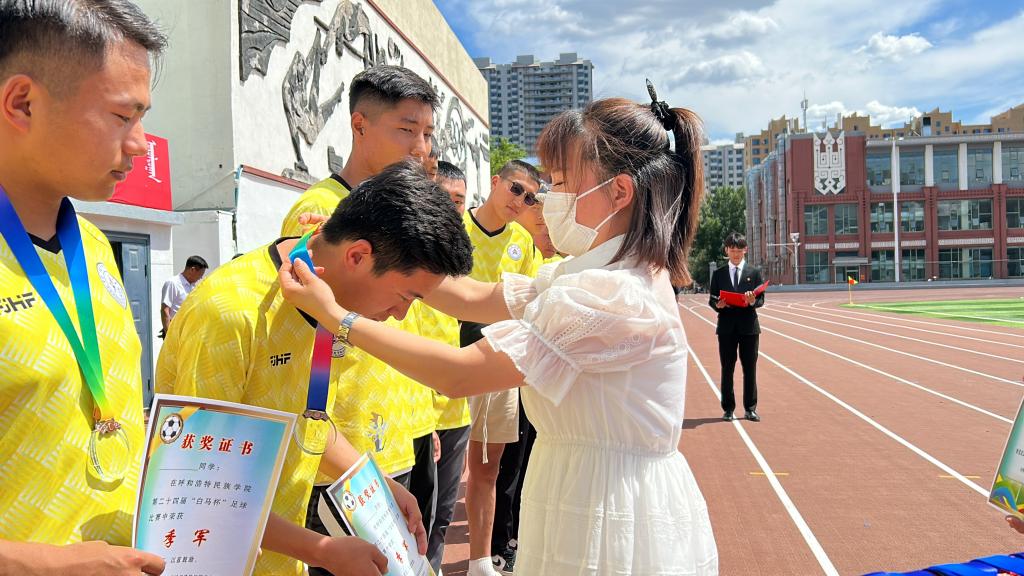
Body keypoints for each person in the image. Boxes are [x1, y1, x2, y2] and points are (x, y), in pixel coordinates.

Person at [279, 88, 719, 575]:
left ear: (619, 192)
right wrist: (360, 240)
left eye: (562, 182)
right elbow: (472, 297)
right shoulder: (586, 275)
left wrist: (338, 317)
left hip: (608, 504)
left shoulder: (613, 295)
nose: (547, 199)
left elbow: (460, 374)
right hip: (582, 485)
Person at [157, 161, 472, 576]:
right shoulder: (230, 315)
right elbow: (196, 484)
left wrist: (375, 482)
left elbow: (309, 423)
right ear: (357, 256)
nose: (400, 315)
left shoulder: (323, 301)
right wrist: (322, 551)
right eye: (404, 297)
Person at [0, 1, 168, 573]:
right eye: (123, 116)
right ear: (22, 103)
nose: (142, 144)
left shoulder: (93, 246)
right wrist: (44, 564)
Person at [278, 64, 443, 559]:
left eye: (427, 133)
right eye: (407, 130)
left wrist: (422, 416)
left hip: (395, 434)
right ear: (360, 125)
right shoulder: (322, 213)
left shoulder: (401, 213)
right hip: (343, 451)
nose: (420, 147)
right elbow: (304, 338)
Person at [458, 159, 539, 576]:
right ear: (495, 182)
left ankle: (479, 561)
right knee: (437, 470)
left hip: (498, 367)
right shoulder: (456, 229)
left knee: (488, 470)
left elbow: (530, 308)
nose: (520, 200)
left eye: (530, 197)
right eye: (516, 189)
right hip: (446, 361)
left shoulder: (523, 242)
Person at [424, 159, 471, 572]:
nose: (455, 209)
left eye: (461, 201)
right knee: (418, 516)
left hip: (455, 408)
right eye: (448, 198)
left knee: (443, 514)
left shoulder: (453, 254)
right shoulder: (410, 252)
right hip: (420, 413)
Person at [708, 231, 764, 422]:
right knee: (727, 369)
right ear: (726, 250)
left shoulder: (754, 273)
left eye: (739, 250)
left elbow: (761, 299)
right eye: (732, 250)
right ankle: (728, 409)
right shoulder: (719, 274)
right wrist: (718, 305)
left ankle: (750, 409)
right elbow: (712, 299)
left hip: (749, 328)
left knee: (750, 369)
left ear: (745, 250)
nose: (736, 254)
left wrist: (752, 301)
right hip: (726, 328)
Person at [158, 254, 207, 337]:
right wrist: (169, 336)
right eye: (200, 274)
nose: (201, 278)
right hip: (175, 331)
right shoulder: (172, 283)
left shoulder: (193, 287)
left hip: (189, 332)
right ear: (192, 270)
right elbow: (165, 310)